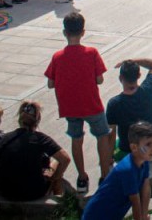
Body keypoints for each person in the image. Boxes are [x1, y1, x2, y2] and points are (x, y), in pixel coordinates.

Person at [44, 12, 110, 194]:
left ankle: (82, 177)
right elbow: (100, 80)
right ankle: (105, 175)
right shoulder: (91, 53)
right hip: (92, 105)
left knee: (76, 139)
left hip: (70, 107)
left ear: (64, 33)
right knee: (102, 136)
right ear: (83, 32)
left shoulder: (57, 57)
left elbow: (50, 83)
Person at [81, 121, 152, 220]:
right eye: (148, 144)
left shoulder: (144, 161)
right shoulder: (128, 170)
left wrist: (144, 215)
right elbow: (135, 202)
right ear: (134, 147)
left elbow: (146, 188)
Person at [0, 102, 70, 201]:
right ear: (37, 120)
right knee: (56, 163)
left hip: (7, 191)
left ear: (19, 119)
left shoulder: (6, 137)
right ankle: (58, 197)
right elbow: (65, 159)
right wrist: (54, 177)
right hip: (34, 192)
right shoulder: (40, 139)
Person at [106, 58, 152, 162]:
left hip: (128, 153)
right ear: (139, 76)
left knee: (117, 143)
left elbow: (111, 134)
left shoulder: (114, 104)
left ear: (120, 78)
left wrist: (109, 157)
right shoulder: (150, 88)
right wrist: (131, 60)